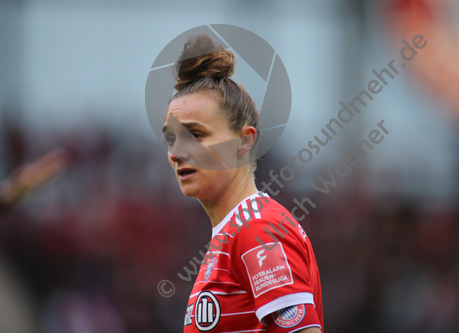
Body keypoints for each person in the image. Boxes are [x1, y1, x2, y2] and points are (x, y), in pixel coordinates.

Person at [162, 35, 324, 333]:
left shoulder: (257, 230)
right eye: (171, 138)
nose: (176, 153)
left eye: (195, 135)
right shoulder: (234, 233)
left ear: (244, 141)